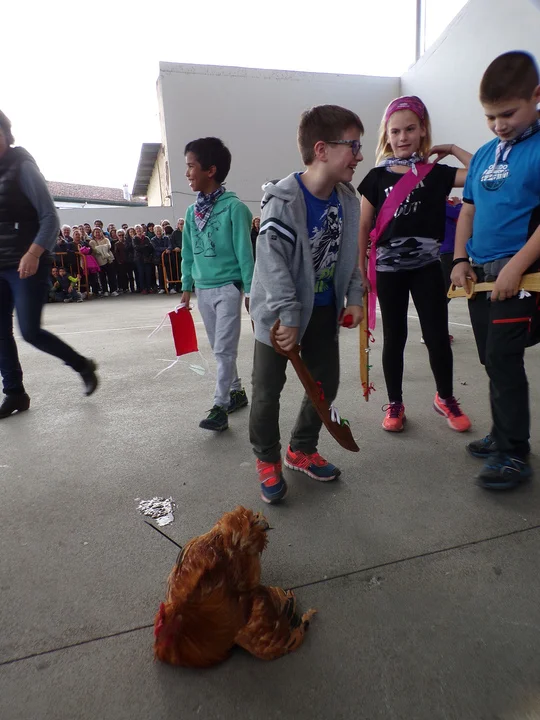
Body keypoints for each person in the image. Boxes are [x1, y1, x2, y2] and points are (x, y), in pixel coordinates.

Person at [249, 105, 364, 503]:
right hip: (278, 317)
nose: (359, 155)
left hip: (324, 310)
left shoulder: (347, 200)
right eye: (353, 146)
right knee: (268, 390)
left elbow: (350, 255)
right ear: (322, 149)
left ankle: (301, 448)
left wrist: (354, 297)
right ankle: (267, 459)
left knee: (325, 382)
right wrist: (289, 316)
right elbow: (271, 263)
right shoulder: (283, 200)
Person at [358, 95, 472, 433]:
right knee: (395, 338)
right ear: (387, 135)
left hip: (427, 268)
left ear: (423, 130)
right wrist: (358, 270)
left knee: (437, 336)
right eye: (395, 131)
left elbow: (482, 172)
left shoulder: (437, 174)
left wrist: (452, 148)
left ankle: (445, 397)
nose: (402, 137)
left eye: (410, 129)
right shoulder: (376, 177)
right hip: (388, 271)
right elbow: (363, 226)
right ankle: (395, 403)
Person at [451, 51, 540, 489]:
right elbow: (467, 211)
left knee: (504, 357)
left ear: (536, 96)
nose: (499, 124)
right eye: (490, 116)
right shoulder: (485, 154)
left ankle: (513, 453)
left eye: (508, 113)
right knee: (490, 356)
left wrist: (516, 268)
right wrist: (459, 259)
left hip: (522, 274)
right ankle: (503, 432)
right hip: (481, 274)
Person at [0, 110, 98, 419]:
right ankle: (14, 392)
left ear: (5, 134)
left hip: (27, 262)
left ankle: (82, 365)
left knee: (30, 331)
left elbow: (50, 217)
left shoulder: (22, 166)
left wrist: (33, 253)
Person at [181, 136, 253, 432]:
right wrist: (187, 288)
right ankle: (236, 391)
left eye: (191, 166)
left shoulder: (235, 209)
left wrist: (250, 289)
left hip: (228, 288)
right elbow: (187, 253)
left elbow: (245, 253)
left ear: (210, 170)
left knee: (224, 348)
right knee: (218, 346)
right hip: (203, 289)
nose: (187, 173)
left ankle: (219, 406)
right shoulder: (191, 212)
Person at [90, 227, 118, 296]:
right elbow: (95, 250)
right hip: (99, 261)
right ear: (93, 233)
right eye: (96, 232)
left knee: (111, 276)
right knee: (102, 277)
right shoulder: (92, 242)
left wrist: (100, 248)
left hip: (109, 260)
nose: (98, 233)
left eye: (99, 232)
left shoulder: (106, 239)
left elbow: (108, 246)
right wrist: (103, 247)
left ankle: (113, 290)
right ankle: (105, 290)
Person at [150, 224, 171, 293]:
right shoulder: (153, 239)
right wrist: (165, 249)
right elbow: (156, 248)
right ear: (155, 232)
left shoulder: (166, 238)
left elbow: (170, 245)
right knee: (160, 273)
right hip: (158, 259)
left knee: (169, 272)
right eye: (157, 231)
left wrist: (169, 249)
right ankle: (162, 287)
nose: (159, 232)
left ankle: (171, 287)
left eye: (160, 231)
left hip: (167, 258)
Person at [133, 223, 154, 294]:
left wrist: (144, 247)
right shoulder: (135, 238)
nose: (138, 230)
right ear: (135, 231)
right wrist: (145, 246)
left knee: (148, 273)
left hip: (147, 258)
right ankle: (143, 288)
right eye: (137, 229)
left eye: (140, 229)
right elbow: (136, 248)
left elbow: (150, 247)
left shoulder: (146, 238)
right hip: (139, 259)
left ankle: (149, 287)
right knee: (141, 273)